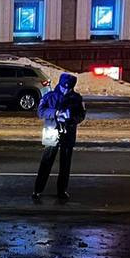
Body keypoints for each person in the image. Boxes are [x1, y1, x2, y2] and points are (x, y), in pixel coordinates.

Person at [32, 72, 86, 203]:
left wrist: (71, 118)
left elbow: (82, 115)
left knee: (65, 164)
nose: (66, 90)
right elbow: (40, 111)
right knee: (46, 162)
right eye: (64, 87)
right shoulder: (50, 96)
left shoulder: (77, 98)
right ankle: (37, 189)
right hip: (52, 132)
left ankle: (62, 191)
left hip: (68, 133)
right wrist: (55, 113)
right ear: (60, 85)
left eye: (69, 88)